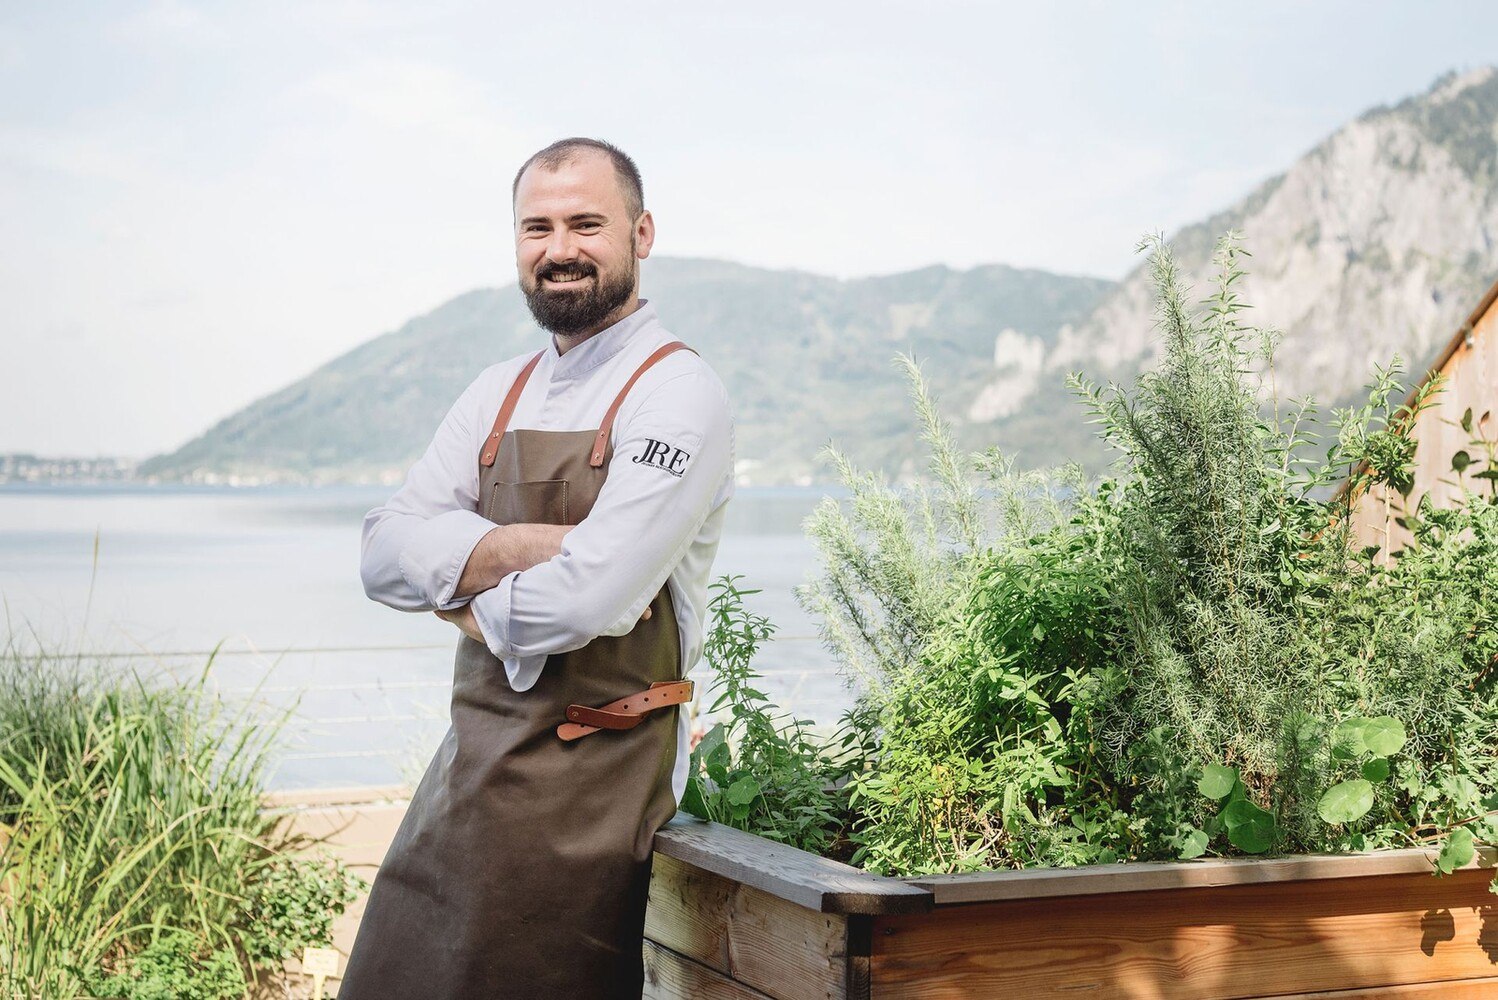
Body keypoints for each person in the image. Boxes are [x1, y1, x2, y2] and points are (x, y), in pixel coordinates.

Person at [339, 137, 736, 998]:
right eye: (537, 228)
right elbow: (379, 554)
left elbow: (588, 601)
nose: (560, 249)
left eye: (586, 224)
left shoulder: (677, 393)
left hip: (595, 795)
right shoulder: (498, 389)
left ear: (641, 233)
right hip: (466, 771)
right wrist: (527, 548)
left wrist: (459, 598)